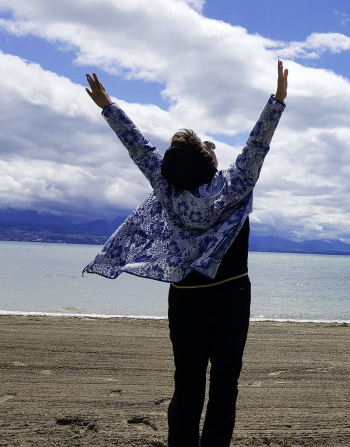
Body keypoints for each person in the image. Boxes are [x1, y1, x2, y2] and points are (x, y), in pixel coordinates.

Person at [84, 60, 288, 445]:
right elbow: (257, 143)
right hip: (230, 298)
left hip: (186, 302)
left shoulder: (169, 192)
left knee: (187, 382)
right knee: (225, 384)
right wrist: (277, 100)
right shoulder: (234, 186)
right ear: (211, 165)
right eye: (211, 151)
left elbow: (139, 149)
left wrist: (108, 106)